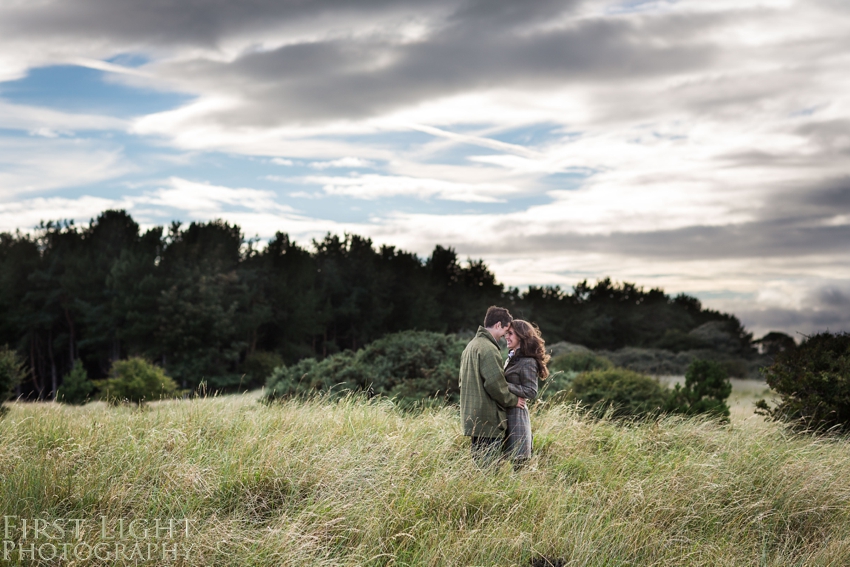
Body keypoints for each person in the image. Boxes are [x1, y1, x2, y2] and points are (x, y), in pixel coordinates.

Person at [459, 306, 526, 467]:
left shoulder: (471, 346)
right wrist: (513, 400)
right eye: (505, 329)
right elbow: (495, 385)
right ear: (497, 325)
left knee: (480, 470)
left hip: (473, 418)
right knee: (489, 472)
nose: (505, 335)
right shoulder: (488, 349)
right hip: (488, 420)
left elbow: (461, 381)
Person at [503, 319, 550, 469]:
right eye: (506, 333)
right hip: (505, 415)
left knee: (519, 466)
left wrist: (503, 385)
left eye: (510, 333)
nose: (506, 337)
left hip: (517, 417)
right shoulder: (512, 356)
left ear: (521, 336)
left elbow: (531, 391)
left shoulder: (528, 361)